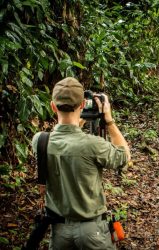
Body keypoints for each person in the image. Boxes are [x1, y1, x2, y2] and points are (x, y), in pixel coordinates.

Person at [32, 77, 131, 250]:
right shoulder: (92, 145)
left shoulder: (40, 141)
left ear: (53, 106)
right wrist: (108, 120)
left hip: (59, 231)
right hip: (92, 232)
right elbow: (124, 156)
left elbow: (67, 142)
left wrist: (78, 122)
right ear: (83, 104)